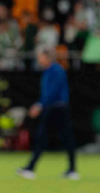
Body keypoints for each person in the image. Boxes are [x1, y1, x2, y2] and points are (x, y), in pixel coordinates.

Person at [17, 47, 78, 180]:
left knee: (49, 136)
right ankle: (72, 170)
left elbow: (52, 91)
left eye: (40, 56)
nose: (39, 59)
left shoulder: (55, 70)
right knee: (59, 137)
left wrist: (39, 105)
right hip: (55, 107)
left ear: (46, 57)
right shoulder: (50, 70)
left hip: (56, 108)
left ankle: (31, 168)